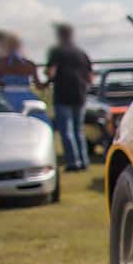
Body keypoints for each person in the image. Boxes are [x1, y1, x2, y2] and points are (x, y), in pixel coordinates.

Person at [43, 23, 93, 172]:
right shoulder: (81, 53)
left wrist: (47, 79)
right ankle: (84, 160)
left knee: (67, 131)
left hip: (63, 95)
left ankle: (73, 162)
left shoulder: (56, 51)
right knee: (78, 130)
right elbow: (90, 76)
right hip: (80, 95)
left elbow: (51, 71)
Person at [0, 30, 41, 119]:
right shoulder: (29, 64)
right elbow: (39, 85)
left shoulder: (1, 63)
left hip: (7, 97)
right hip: (27, 97)